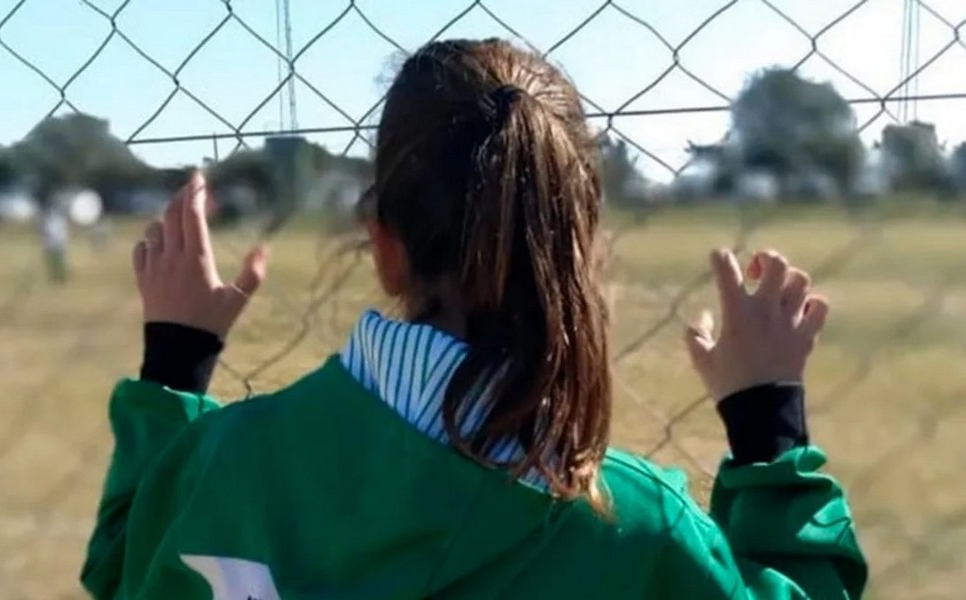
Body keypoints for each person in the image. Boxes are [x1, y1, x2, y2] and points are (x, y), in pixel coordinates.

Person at [80, 39, 867, 599]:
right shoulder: (636, 533)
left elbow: (127, 570)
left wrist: (175, 364)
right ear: (581, 252)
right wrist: (769, 430)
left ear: (383, 246)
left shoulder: (222, 463)